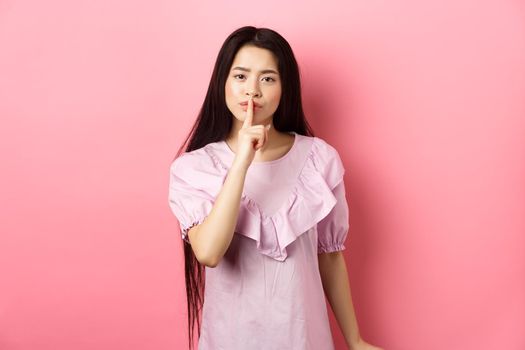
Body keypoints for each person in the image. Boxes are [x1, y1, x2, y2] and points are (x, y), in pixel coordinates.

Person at [168, 25, 383, 350]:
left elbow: (331, 257)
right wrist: (241, 162)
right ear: (222, 83)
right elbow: (209, 253)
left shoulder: (319, 159)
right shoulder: (195, 168)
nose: (252, 91)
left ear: (285, 88)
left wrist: (354, 339)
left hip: (304, 340)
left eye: (267, 79)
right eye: (240, 77)